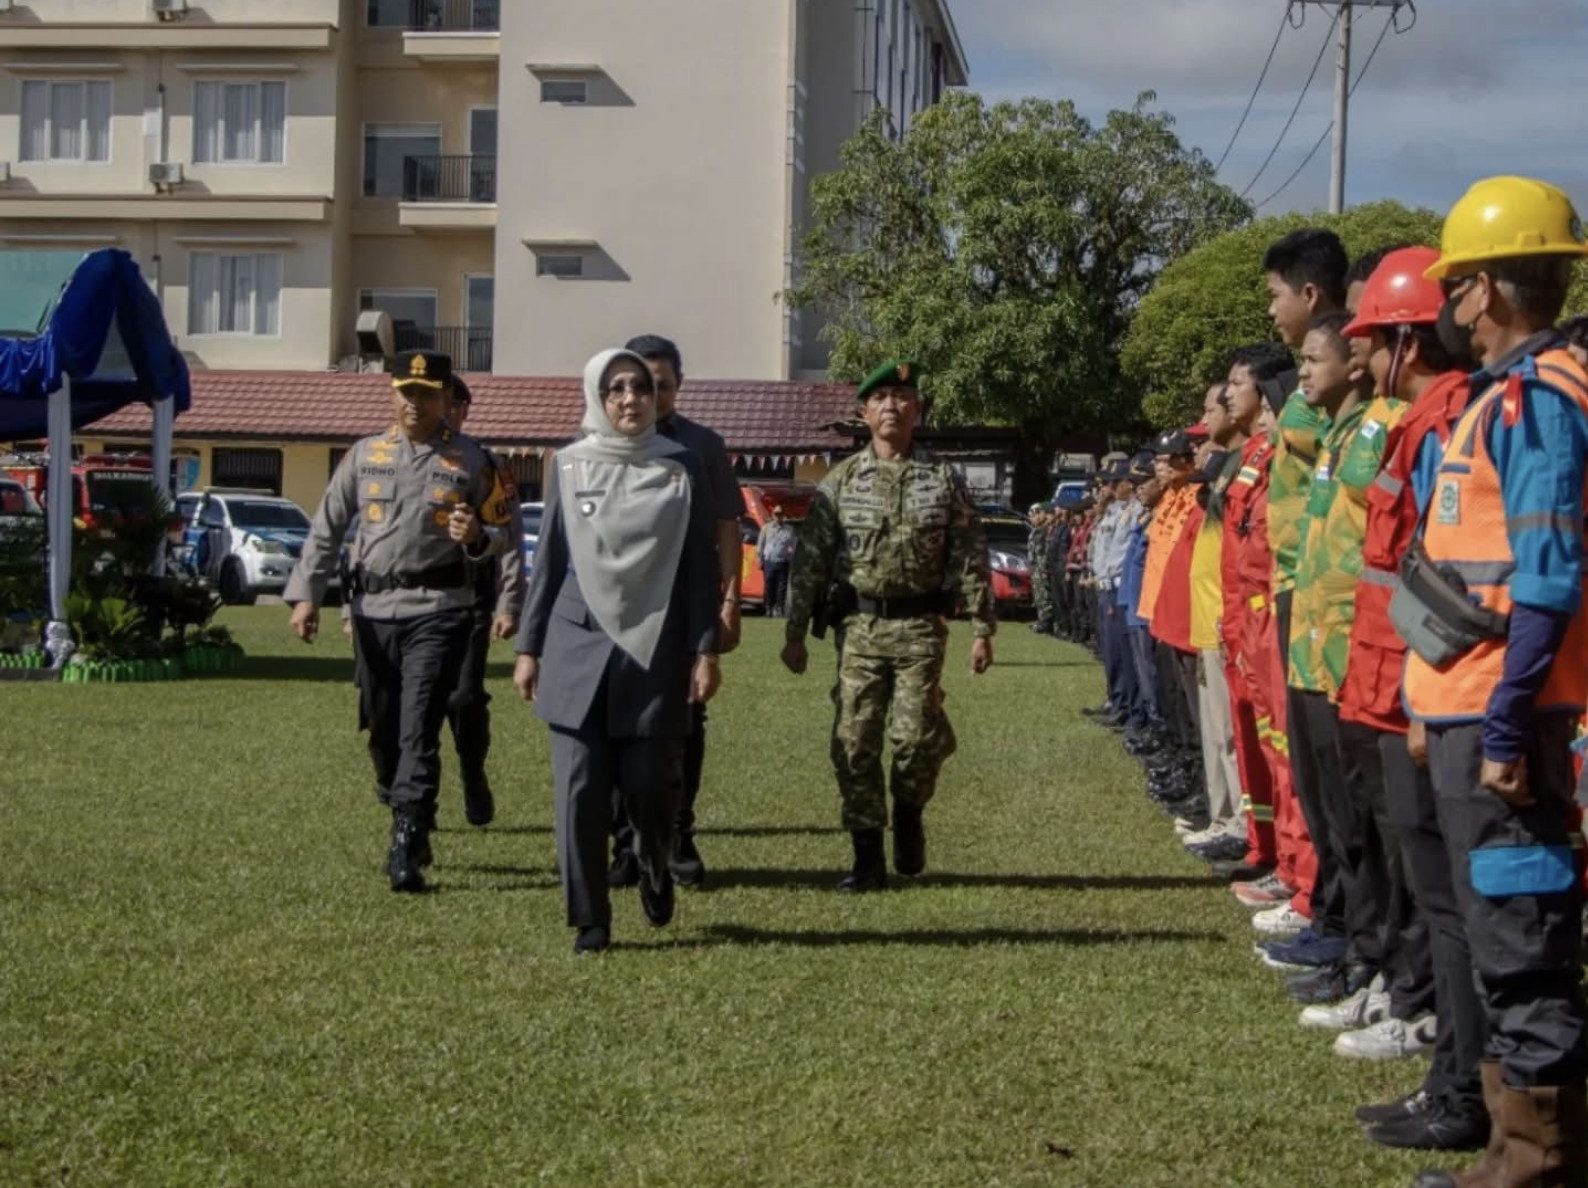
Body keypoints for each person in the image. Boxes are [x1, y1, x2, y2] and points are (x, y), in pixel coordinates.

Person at [1403, 176, 1588, 1188]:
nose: (1452, 305)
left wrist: (1509, 724)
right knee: (1493, 933)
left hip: (1505, 716)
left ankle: (1539, 1163)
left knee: (1522, 940)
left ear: (1485, 291)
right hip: (1467, 707)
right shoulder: (1499, 397)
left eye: (1458, 284)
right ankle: (1509, 1150)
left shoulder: (1535, 402)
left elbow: (1546, 577)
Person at [1332, 246, 1485, 1151]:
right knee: (1441, 901)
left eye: (1372, 340)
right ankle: (1453, 1078)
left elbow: (1438, 578)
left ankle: (1463, 1089)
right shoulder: (1429, 419)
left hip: (1421, 694)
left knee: (1449, 907)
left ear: (1401, 341)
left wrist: (1424, 701)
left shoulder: (1441, 425)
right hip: (1400, 688)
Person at [512, 349, 721, 955]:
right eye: (616, 389)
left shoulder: (681, 467)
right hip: (577, 645)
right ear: (597, 399)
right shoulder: (569, 465)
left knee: (649, 787)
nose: (631, 399)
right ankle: (590, 919)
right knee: (578, 791)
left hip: (653, 648)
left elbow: (698, 569)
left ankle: (655, 865)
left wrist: (705, 649)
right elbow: (548, 562)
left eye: (641, 388)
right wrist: (529, 647)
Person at [285, 350, 515, 893]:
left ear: (445, 399)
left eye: (427, 394)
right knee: (383, 730)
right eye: (406, 393)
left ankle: (407, 837)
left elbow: (502, 537)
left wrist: (477, 541)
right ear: (392, 394)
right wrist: (306, 595)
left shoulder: (473, 461)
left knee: (419, 727)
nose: (415, 404)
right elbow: (327, 528)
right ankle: (399, 798)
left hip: (439, 610)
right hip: (371, 613)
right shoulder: (365, 455)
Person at [782, 359, 994, 891]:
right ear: (864, 412)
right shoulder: (841, 481)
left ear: (916, 409)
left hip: (921, 627)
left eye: (903, 398)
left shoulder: (942, 478)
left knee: (914, 739)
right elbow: (810, 557)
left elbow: (970, 552)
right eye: (881, 399)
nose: (892, 407)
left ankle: (909, 812)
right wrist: (794, 632)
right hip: (858, 629)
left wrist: (983, 628)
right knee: (853, 741)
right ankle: (867, 858)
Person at [611, 334, 742, 889]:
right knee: (617, 724)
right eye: (640, 384)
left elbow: (727, 528)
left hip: (684, 607)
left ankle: (677, 835)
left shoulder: (702, 447)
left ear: (678, 387)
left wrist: (730, 601)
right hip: (621, 608)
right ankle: (625, 843)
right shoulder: (604, 443)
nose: (649, 395)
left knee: (686, 723)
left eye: (661, 385)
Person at [440, 376, 526, 827]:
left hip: (470, 598)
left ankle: (473, 773)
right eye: (442, 404)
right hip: (409, 603)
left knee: (464, 698)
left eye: (456, 405)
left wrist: (509, 602)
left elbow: (511, 536)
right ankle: (416, 797)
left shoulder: (486, 464)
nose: (448, 413)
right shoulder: (391, 458)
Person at [756, 505, 797, 616]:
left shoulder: (789, 529)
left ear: (783, 516)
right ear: (773, 515)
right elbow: (760, 544)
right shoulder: (766, 528)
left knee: (782, 587)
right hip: (769, 561)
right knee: (769, 585)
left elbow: (794, 545)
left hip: (783, 561)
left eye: (780, 514)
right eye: (776, 514)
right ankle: (768, 608)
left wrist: (791, 555)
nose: (778, 516)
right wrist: (759, 559)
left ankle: (779, 609)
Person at [1028, 504, 1055, 633]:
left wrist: (1043, 568)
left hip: (1042, 567)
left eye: (1035, 515)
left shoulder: (1044, 530)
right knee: (1038, 596)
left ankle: (1046, 622)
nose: (1033, 519)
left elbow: (1044, 550)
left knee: (1044, 595)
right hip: (1035, 567)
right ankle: (1040, 619)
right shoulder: (1036, 530)